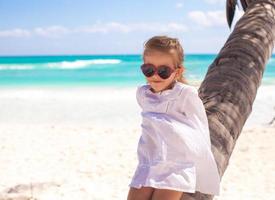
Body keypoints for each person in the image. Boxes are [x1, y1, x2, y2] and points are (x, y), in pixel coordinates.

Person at [127, 35, 220, 200]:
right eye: (148, 69)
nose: (155, 75)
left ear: (177, 71)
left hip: (176, 166)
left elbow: (199, 126)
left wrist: (201, 167)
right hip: (148, 162)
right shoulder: (142, 94)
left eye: (163, 71)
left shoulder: (185, 94)